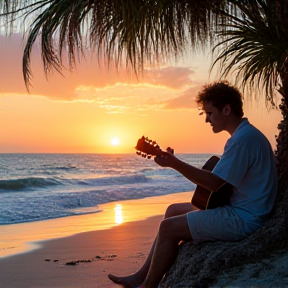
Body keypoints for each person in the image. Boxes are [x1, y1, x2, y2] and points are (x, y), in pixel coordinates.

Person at [108, 81, 278, 288]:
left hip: (244, 219)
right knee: (172, 211)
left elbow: (214, 183)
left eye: (209, 113)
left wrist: (174, 164)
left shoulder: (243, 140)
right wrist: (174, 162)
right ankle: (140, 275)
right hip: (242, 209)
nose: (207, 120)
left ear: (226, 109)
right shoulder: (245, 135)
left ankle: (148, 286)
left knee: (168, 227)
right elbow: (221, 180)